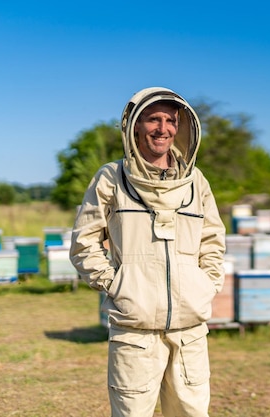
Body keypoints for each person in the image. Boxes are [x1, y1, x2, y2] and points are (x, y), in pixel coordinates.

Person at [70, 87, 226, 417]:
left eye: (170, 120)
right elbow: (84, 243)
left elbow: (212, 242)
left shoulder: (197, 182)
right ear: (135, 125)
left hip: (190, 333)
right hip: (134, 332)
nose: (163, 128)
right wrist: (117, 285)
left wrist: (205, 285)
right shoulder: (110, 179)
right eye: (153, 119)